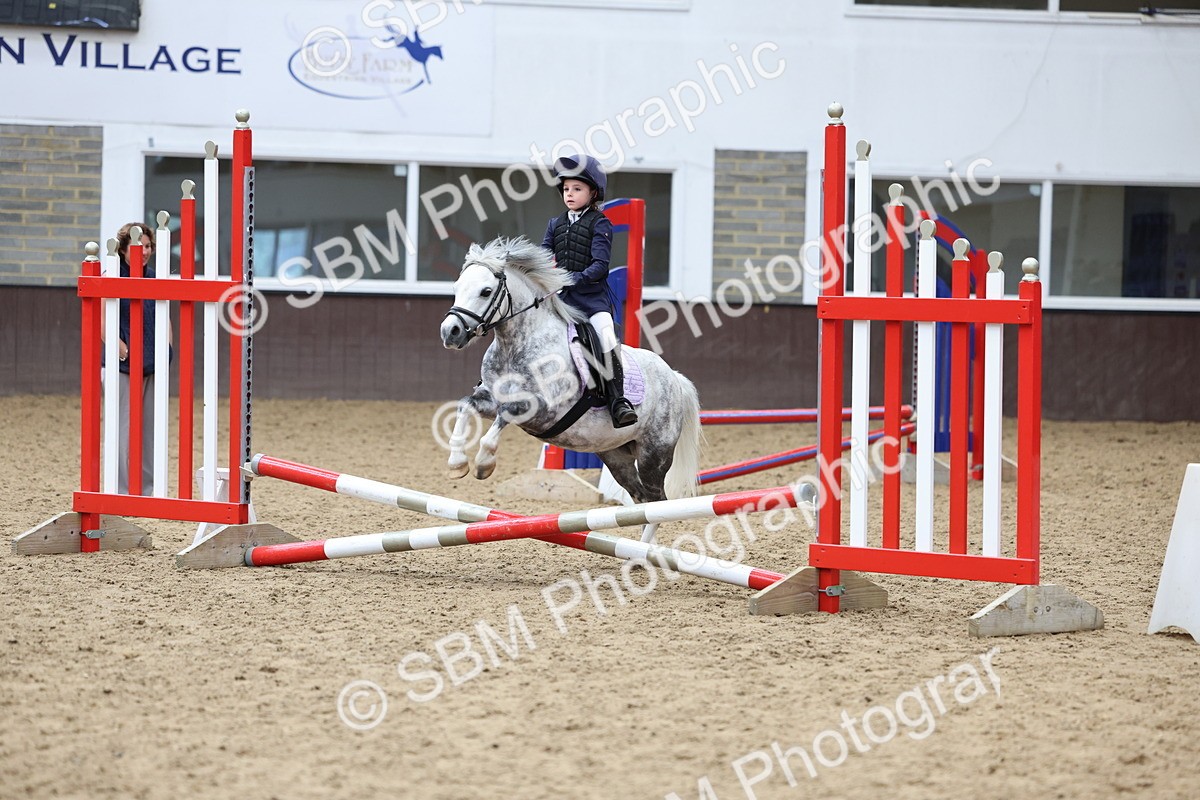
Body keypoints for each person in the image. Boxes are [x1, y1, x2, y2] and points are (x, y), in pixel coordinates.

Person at [541, 155, 638, 428]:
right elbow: (543, 256)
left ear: (592, 193)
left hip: (592, 298)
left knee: (606, 336)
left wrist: (569, 279)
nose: (569, 194)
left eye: (577, 189)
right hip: (561, 299)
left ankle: (619, 400)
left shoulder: (600, 223)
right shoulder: (554, 224)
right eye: (566, 189)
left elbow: (599, 267)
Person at [101, 222, 173, 495]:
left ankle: (148, 490)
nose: (144, 252)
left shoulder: (155, 277)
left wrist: (167, 348)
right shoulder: (112, 275)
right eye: (138, 246)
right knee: (122, 432)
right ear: (122, 249)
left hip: (153, 365)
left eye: (148, 246)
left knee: (151, 431)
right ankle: (119, 490)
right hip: (121, 366)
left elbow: (164, 316)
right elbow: (101, 317)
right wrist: (120, 348)